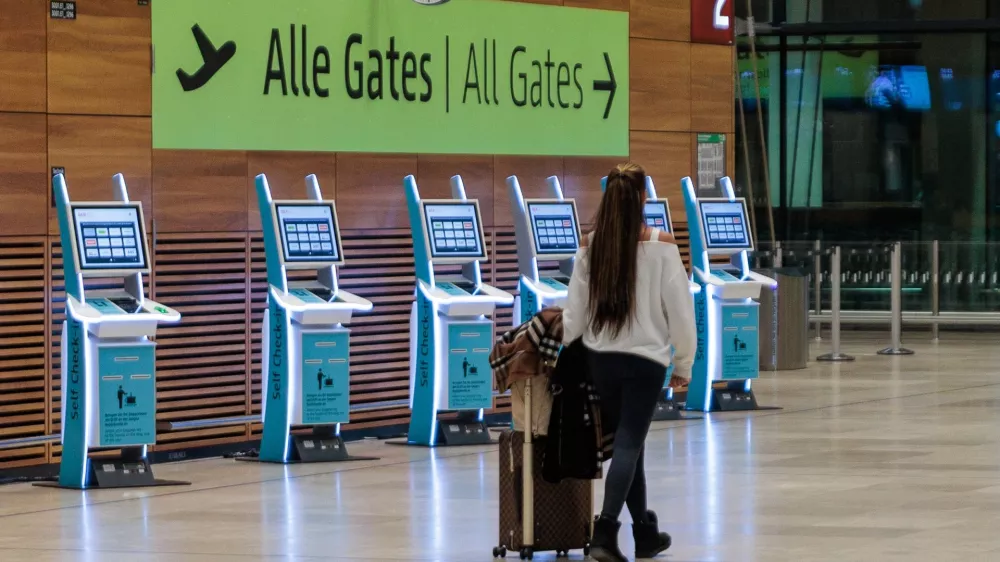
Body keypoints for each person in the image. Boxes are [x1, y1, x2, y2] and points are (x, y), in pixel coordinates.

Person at [562, 163, 696, 562]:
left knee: (627, 442)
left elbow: (575, 314)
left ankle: (644, 535)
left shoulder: (590, 246)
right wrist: (685, 363)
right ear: (642, 198)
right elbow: (680, 310)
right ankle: (603, 535)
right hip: (646, 364)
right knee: (628, 443)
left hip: (600, 360)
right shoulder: (662, 245)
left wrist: (570, 353)